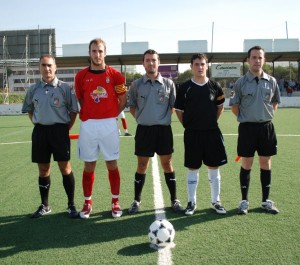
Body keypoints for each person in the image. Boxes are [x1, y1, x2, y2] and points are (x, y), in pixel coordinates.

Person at [74, 38, 127, 219]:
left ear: (105, 53)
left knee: (111, 163)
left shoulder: (116, 75)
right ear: (89, 53)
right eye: (94, 51)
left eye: (100, 51)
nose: (97, 54)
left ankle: (115, 202)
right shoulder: (80, 76)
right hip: (88, 125)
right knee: (89, 165)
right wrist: (89, 112)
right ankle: (87, 202)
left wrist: (112, 114)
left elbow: (123, 99)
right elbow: (81, 98)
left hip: (109, 125)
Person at [22, 54, 79, 218]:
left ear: (55, 68)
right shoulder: (33, 89)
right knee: (43, 169)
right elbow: (29, 109)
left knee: (65, 167)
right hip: (40, 132)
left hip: (60, 131)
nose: (47, 68)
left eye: (49, 65)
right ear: (39, 68)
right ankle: (45, 205)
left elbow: (73, 110)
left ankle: (71, 205)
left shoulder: (64, 88)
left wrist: (65, 127)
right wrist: (37, 123)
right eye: (43, 65)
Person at [127, 49, 184, 214]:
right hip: (144, 130)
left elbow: (173, 106)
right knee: (142, 165)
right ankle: (136, 201)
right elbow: (131, 106)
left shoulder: (169, 83)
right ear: (143, 63)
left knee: (167, 164)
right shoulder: (136, 85)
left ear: (158, 63)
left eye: (154, 60)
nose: (151, 63)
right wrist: (143, 118)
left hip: (163, 130)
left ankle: (174, 199)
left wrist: (160, 118)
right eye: (147, 60)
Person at [229, 45, 280, 215]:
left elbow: (275, 102)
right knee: (247, 164)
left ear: (263, 60)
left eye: (260, 57)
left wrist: (267, 115)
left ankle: (266, 201)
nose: (257, 60)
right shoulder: (240, 82)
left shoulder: (272, 81)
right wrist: (247, 118)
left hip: (266, 128)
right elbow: (235, 106)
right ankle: (244, 201)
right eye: (254, 57)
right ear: (248, 60)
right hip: (247, 129)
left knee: (265, 163)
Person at [174, 53, 227, 216]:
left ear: (206, 66)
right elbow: (179, 110)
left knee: (213, 166)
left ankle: (215, 201)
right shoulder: (184, 87)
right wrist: (189, 126)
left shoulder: (215, 86)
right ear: (191, 67)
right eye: (196, 64)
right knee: (193, 167)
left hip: (212, 133)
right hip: (192, 134)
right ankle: (191, 202)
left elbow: (220, 107)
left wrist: (210, 123)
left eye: (202, 64)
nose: (200, 67)